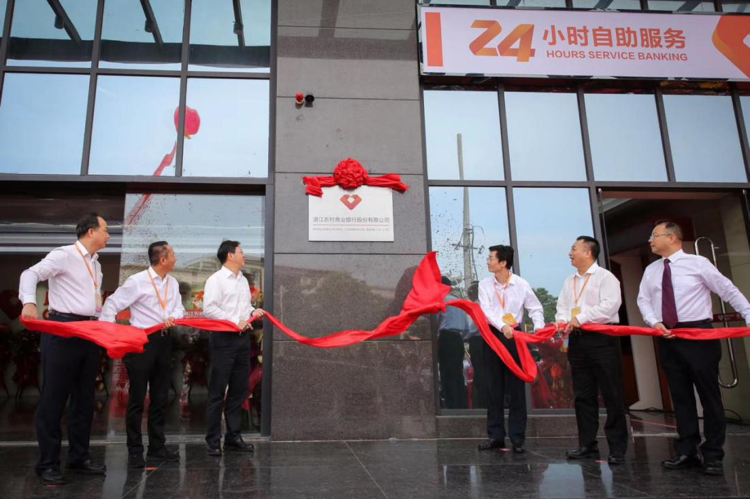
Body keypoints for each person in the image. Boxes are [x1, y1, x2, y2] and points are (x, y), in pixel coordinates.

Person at [637, 221, 750, 476]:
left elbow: (727, 290)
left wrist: (748, 313)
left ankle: (713, 455)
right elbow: (643, 299)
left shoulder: (698, 263)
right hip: (667, 336)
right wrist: (653, 321)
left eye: (654, 235)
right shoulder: (652, 270)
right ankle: (686, 450)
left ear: (672, 237)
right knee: (680, 396)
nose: (650, 240)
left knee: (709, 396)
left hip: (698, 334)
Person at [19, 213, 110, 485]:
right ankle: (47, 463)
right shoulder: (64, 255)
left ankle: (78, 458)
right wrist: (29, 302)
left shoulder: (96, 264)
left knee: (84, 400)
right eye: (106, 230)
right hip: (63, 329)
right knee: (54, 399)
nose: (108, 235)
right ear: (91, 231)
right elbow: (30, 273)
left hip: (89, 331)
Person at [100, 241, 185, 469]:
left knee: (160, 397)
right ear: (163, 259)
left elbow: (179, 308)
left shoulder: (173, 283)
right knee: (137, 400)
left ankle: (157, 448)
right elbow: (112, 303)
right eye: (173, 254)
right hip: (141, 342)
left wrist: (174, 316)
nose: (176, 258)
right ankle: (135, 451)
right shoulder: (137, 281)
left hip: (164, 341)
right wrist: (110, 331)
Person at [555, 236, 628, 465]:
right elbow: (562, 307)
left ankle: (617, 447)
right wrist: (562, 320)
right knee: (583, 395)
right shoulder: (569, 281)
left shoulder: (605, 277)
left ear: (588, 252)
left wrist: (581, 318)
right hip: (577, 341)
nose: (570, 253)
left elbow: (610, 306)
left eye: (574, 248)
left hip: (602, 339)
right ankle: (587, 443)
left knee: (612, 393)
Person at [477, 245, 544, 454]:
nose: (488, 261)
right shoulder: (485, 284)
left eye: (491, 258)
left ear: (503, 263)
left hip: (515, 337)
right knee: (493, 388)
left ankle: (517, 438)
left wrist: (538, 328)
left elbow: (535, 308)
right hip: (493, 336)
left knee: (516, 388)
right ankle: (495, 436)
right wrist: (502, 326)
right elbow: (485, 311)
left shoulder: (521, 284)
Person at [203, 240, 265, 456]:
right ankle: (213, 441)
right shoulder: (216, 280)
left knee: (239, 391)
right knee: (217, 392)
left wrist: (253, 312)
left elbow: (244, 307)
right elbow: (209, 309)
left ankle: (233, 437)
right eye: (241, 252)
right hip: (223, 340)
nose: (244, 255)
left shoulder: (243, 281)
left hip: (242, 340)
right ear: (230, 255)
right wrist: (233, 321)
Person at [437, 276, 469, 409]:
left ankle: (451, 406)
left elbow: (435, 323)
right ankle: (461, 406)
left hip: (446, 338)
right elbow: (466, 327)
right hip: (458, 339)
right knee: (458, 373)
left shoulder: (440, 302)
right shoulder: (459, 302)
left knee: (447, 373)